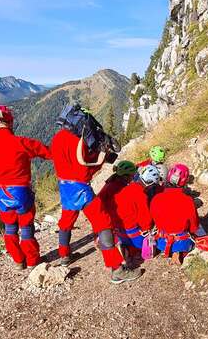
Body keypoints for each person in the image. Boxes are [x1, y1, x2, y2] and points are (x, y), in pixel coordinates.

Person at [50, 111, 141, 284]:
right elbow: (84, 170)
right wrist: (100, 161)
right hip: (80, 189)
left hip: (64, 187)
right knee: (103, 223)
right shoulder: (80, 141)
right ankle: (117, 270)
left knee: (66, 221)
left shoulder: (57, 138)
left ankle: (64, 255)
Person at [0, 105, 51, 270]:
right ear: (10, 122)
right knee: (26, 227)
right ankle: (32, 261)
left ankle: (18, 260)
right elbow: (47, 152)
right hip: (22, 193)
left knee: (10, 228)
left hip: (2, 194)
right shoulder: (22, 142)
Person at [150, 163, 199, 265]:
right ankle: (177, 250)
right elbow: (194, 227)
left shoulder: (156, 199)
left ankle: (171, 250)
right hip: (183, 242)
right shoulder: (188, 201)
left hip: (161, 242)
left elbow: (154, 220)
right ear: (184, 181)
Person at [112, 165, 159, 263]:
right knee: (156, 241)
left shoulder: (125, 189)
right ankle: (132, 249)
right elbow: (145, 220)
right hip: (132, 232)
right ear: (150, 183)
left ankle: (125, 247)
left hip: (119, 230)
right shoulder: (141, 195)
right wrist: (150, 228)